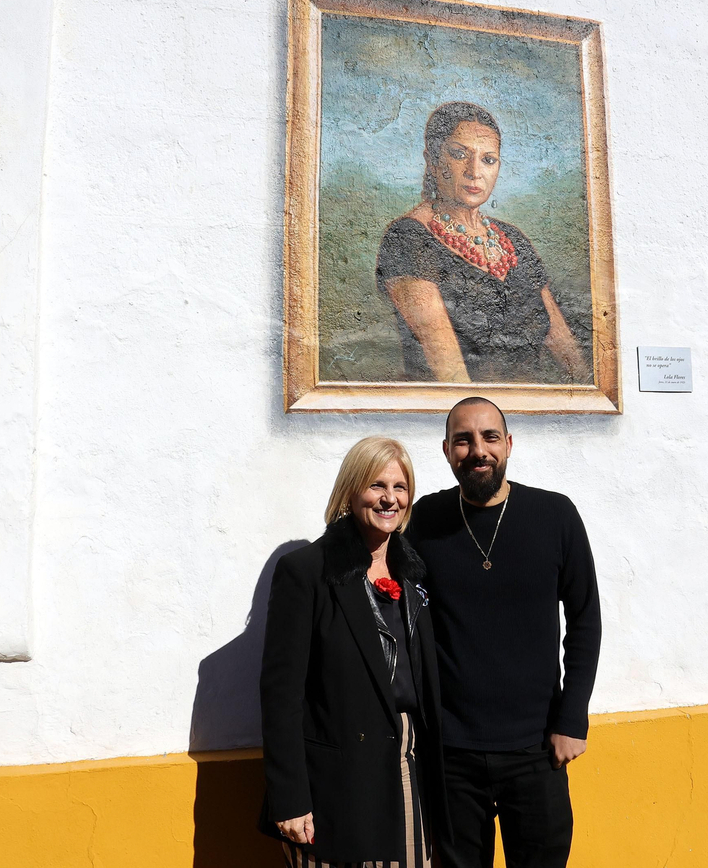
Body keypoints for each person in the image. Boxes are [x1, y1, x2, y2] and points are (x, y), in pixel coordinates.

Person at [404, 396, 601, 868]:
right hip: (452, 756)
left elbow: (585, 618)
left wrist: (572, 720)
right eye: (463, 440)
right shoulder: (423, 522)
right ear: (447, 449)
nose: (478, 450)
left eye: (490, 437)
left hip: (538, 750)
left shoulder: (554, 516)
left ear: (509, 444)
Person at [259, 437, 447, 867]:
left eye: (400, 488)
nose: (389, 499)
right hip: (335, 783)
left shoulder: (413, 573)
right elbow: (281, 695)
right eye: (376, 485)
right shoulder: (306, 571)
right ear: (350, 490)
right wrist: (289, 799)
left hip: (405, 772)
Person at [376, 102, 589, 385]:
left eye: (488, 160)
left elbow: (571, 359)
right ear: (433, 160)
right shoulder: (408, 239)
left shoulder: (513, 239)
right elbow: (450, 376)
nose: (474, 171)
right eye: (459, 154)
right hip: (464, 415)